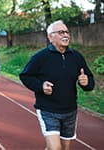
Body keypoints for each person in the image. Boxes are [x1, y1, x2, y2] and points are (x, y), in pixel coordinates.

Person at [19, 20, 94, 150]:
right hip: (48, 110)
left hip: (70, 111)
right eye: (61, 32)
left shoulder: (76, 57)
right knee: (55, 148)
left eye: (67, 32)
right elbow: (25, 76)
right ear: (50, 37)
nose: (66, 35)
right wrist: (41, 86)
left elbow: (89, 80)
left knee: (64, 148)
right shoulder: (40, 57)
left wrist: (86, 83)